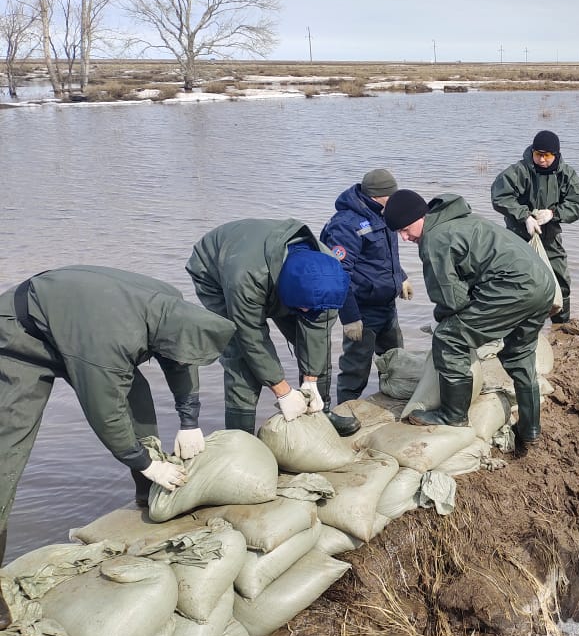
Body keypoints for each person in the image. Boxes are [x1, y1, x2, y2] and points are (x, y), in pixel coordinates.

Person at [0, 267, 236, 574]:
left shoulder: (174, 311)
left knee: (138, 404)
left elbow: (181, 360)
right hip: (22, 335)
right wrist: (147, 463)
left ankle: (147, 497)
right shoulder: (108, 344)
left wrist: (189, 420)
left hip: (79, 323)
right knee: (9, 448)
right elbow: (105, 412)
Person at [384, 189, 555, 455]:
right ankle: (530, 430)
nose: (405, 238)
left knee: (449, 339)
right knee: (519, 352)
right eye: (399, 234)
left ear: (421, 216)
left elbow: (451, 300)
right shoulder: (459, 219)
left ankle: (453, 414)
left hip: (515, 289)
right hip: (542, 285)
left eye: (406, 229)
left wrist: (445, 325)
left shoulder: (434, 239)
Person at [186, 218, 360, 437]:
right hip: (218, 275)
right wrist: (283, 391)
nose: (308, 313)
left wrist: (310, 381)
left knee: (315, 345)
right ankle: (241, 436)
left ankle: (320, 411)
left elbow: (318, 333)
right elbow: (251, 338)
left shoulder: (328, 275)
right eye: (303, 307)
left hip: (285, 276)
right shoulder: (246, 278)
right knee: (241, 354)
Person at [320, 168, 413, 405]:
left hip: (387, 307)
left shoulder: (384, 215)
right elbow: (339, 274)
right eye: (390, 195)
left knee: (395, 361)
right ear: (376, 196)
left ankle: (393, 405)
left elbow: (383, 257)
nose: (394, 199)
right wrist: (350, 317)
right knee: (355, 371)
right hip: (362, 310)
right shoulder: (346, 225)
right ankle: (343, 412)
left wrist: (400, 277)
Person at [491, 129, 579, 324]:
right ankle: (517, 324)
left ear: (556, 155)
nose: (542, 160)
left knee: (560, 279)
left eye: (547, 155)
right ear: (532, 152)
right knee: (518, 281)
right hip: (520, 235)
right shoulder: (519, 171)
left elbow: (577, 205)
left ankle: (561, 324)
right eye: (538, 154)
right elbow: (500, 197)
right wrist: (524, 216)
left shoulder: (566, 175)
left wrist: (553, 213)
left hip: (549, 235)